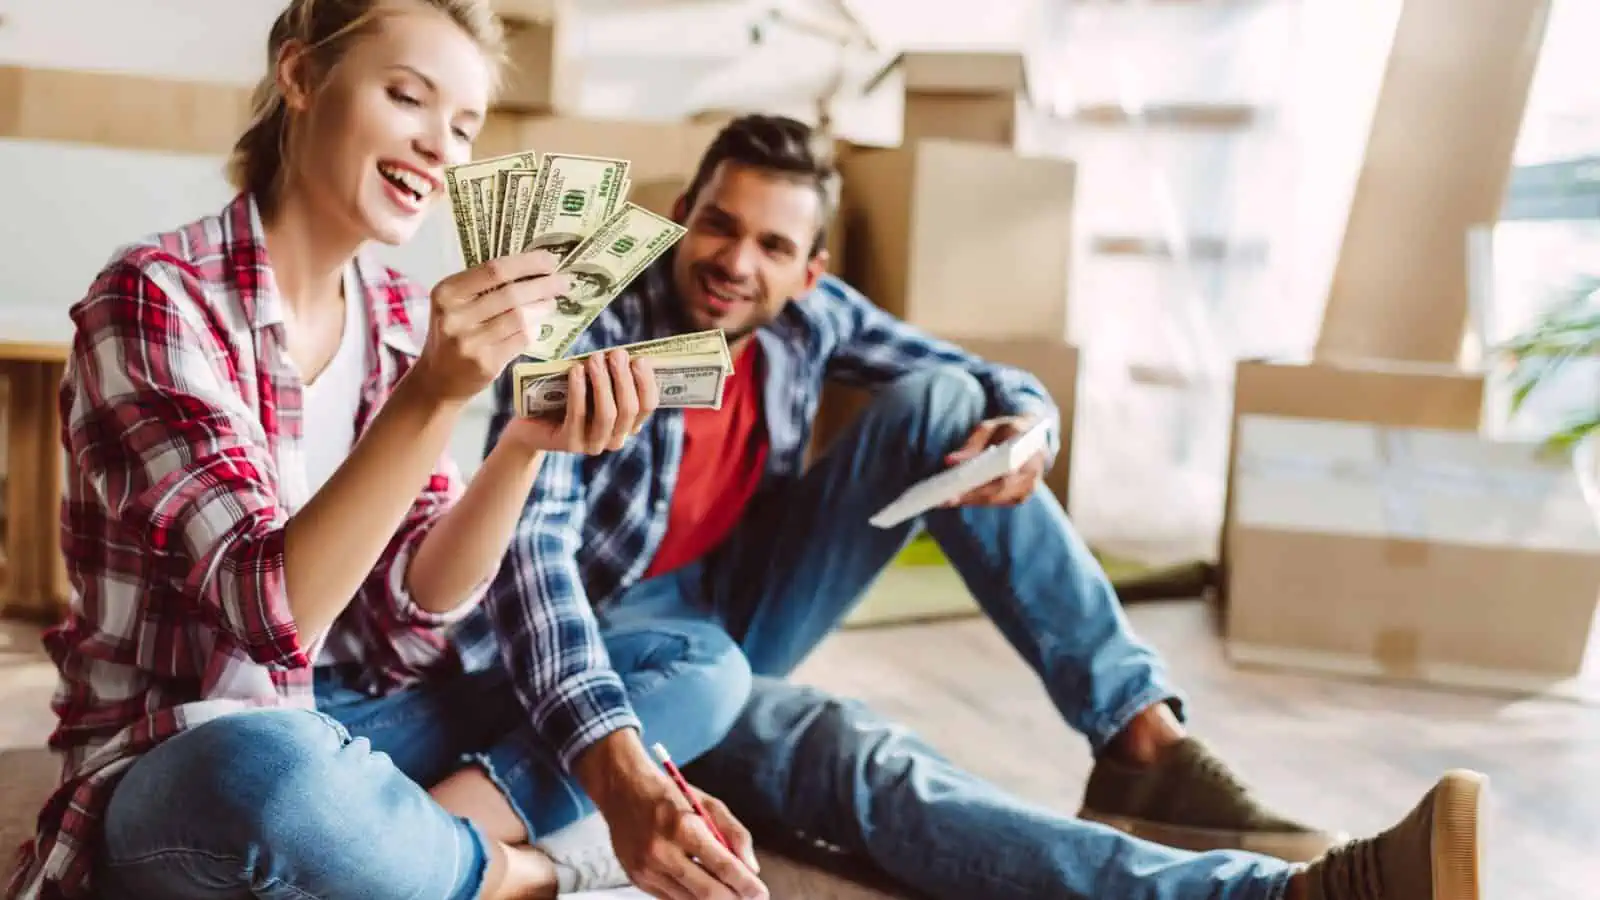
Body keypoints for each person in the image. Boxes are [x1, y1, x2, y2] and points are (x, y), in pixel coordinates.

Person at [475, 113, 1490, 900]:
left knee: (954, 409)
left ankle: (1142, 743)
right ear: (679, 216)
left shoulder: (801, 319)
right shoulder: (591, 322)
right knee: (854, 754)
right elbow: (535, 562)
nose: (737, 263)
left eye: (773, 247)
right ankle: (1279, 897)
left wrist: (1030, 430)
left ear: (810, 269)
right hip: (633, 649)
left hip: (744, 598)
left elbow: (978, 377)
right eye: (718, 225)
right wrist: (612, 763)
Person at [5, 2, 761, 899]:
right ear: (299, 76)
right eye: (408, 97)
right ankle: (517, 872)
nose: (441, 145)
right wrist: (433, 393)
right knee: (271, 773)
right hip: (190, 751)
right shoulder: (154, 301)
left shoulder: (399, 314)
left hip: (358, 719)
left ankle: (390, 850)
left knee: (699, 666)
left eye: (464, 125)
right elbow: (269, 614)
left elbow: (416, 606)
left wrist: (521, 446)